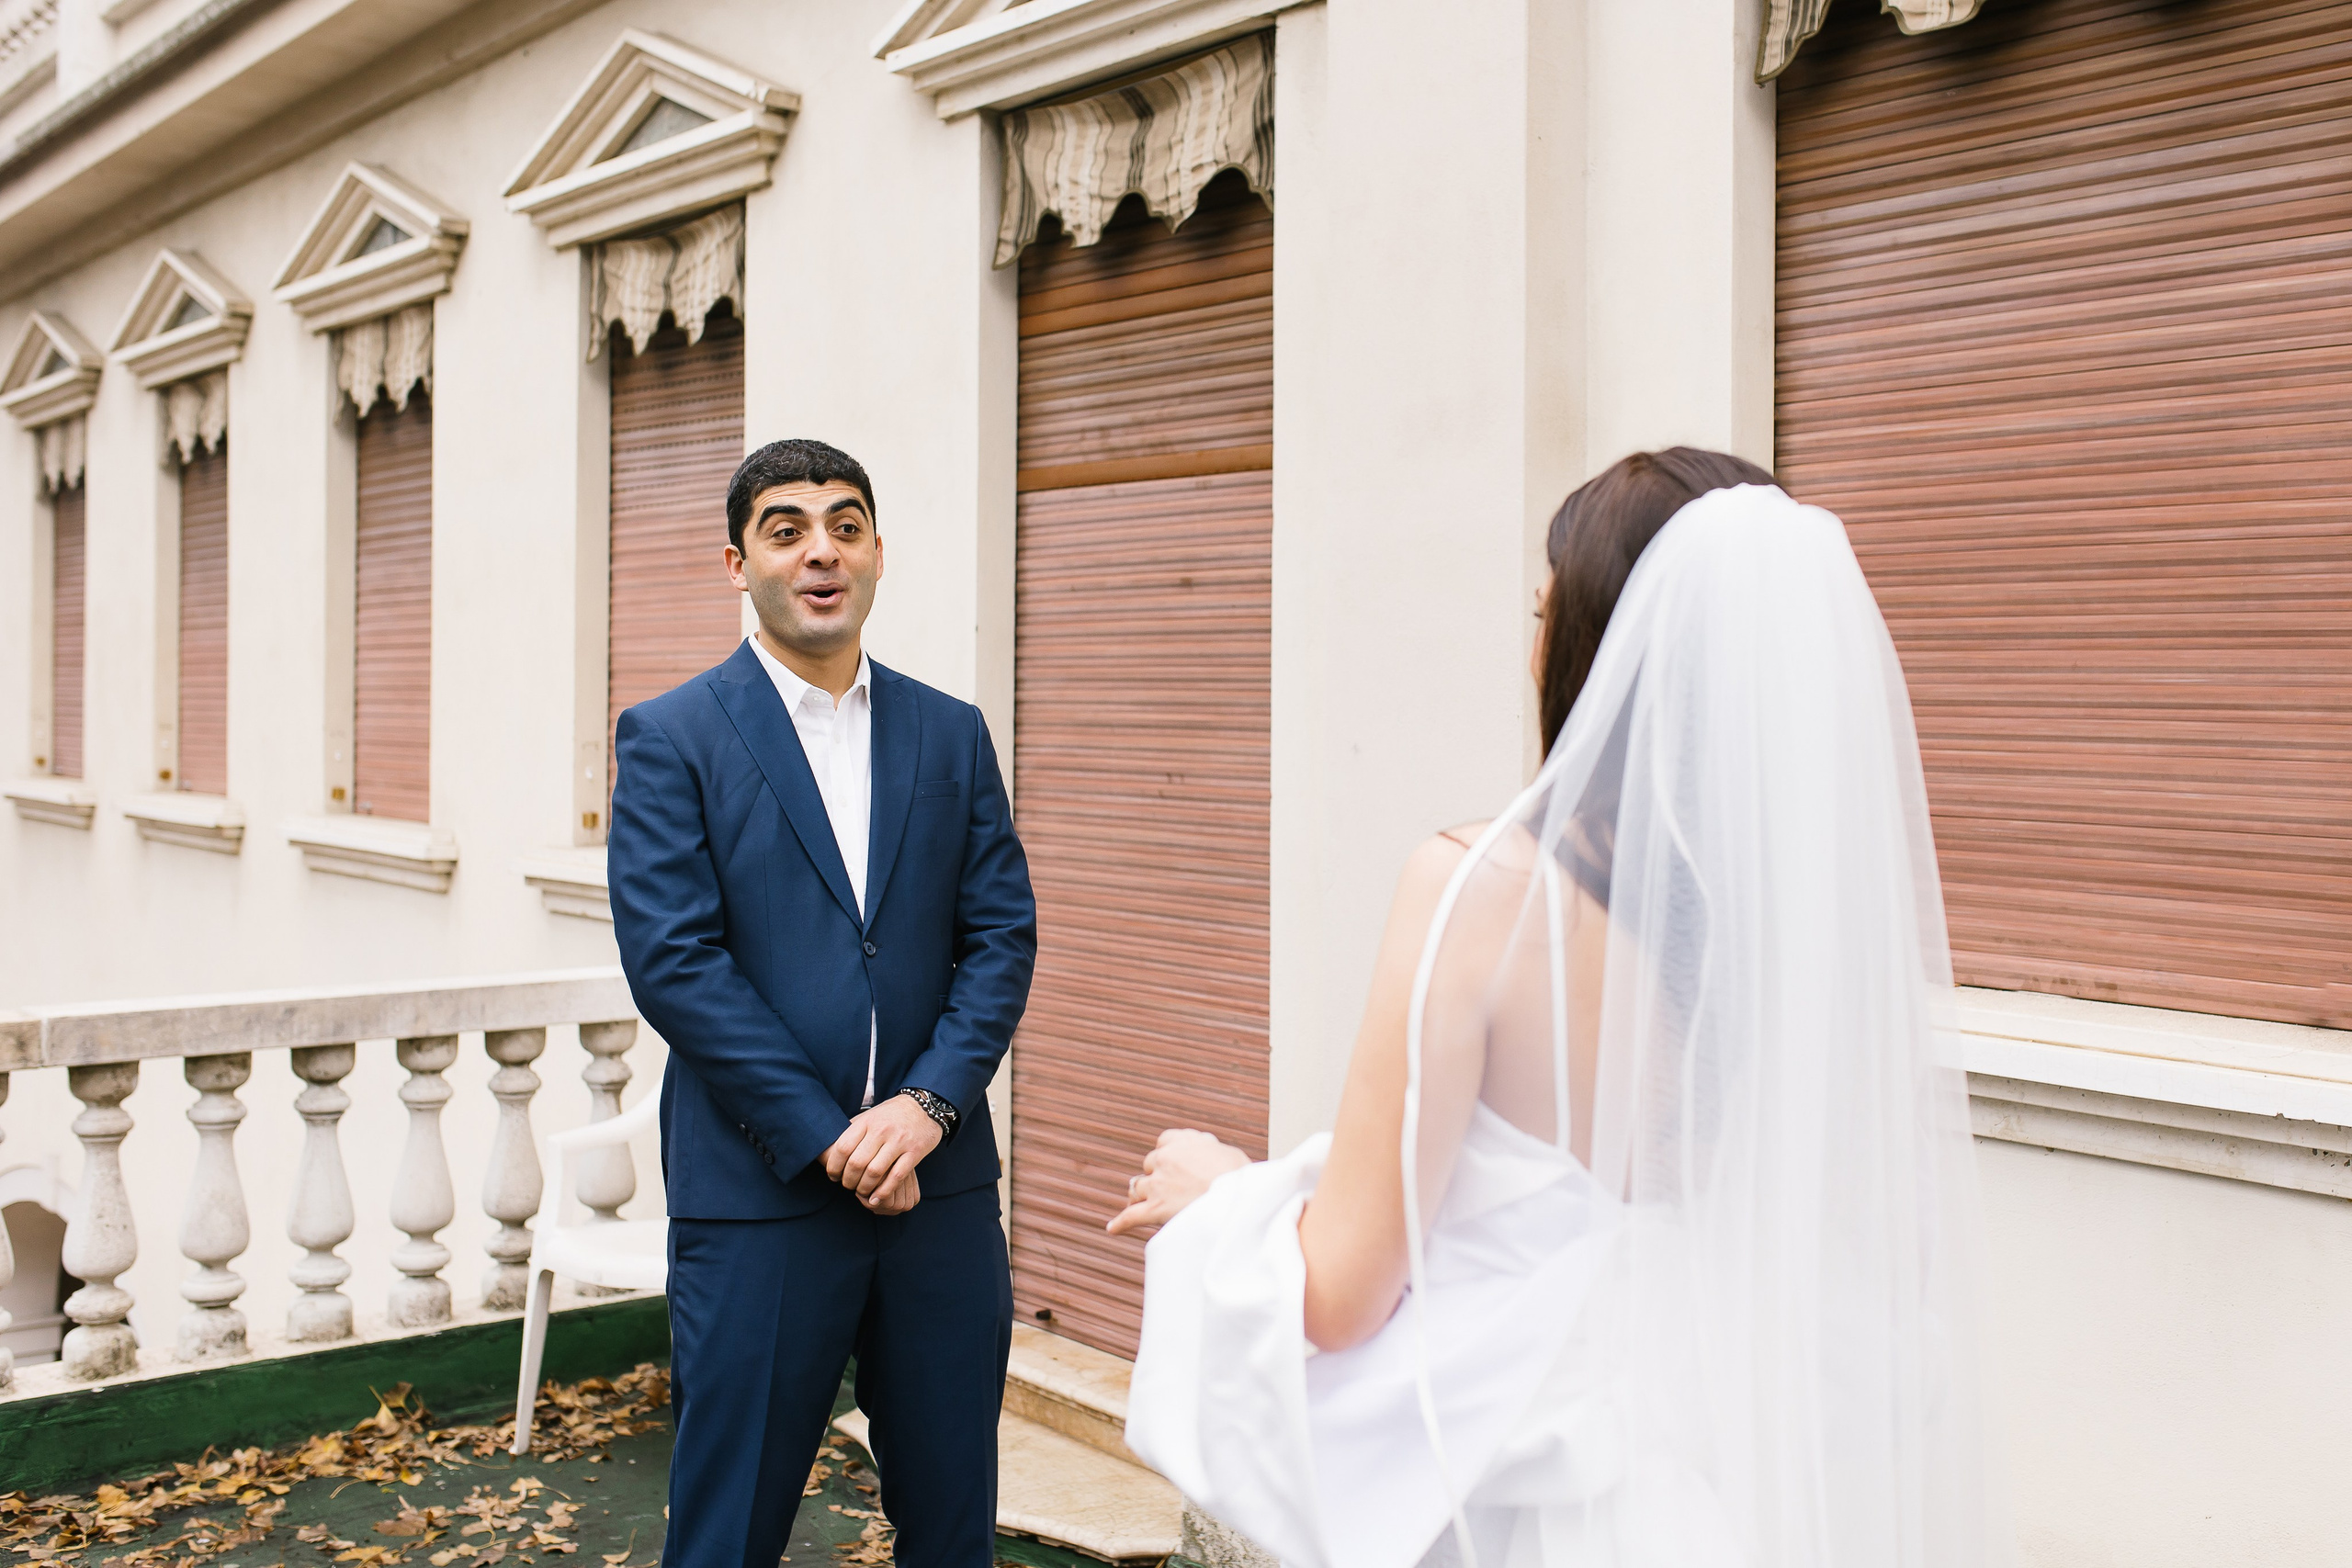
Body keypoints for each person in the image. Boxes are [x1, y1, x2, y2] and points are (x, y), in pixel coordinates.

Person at [1112, 450, 2005, 1568]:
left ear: (1601, 644)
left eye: (1545, 613)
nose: (1530, 648)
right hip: (1728, 1508)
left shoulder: (1476, 891)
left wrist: (1221, 1199)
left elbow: (1341, 1295)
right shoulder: (1808, 938)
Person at [607, 438, 1036, 1568]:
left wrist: (927, 1109)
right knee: (728, 1534)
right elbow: (675, 962)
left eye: (845, 527)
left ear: (877, 553)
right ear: (737, 563)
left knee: (953, 1528)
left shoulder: (950, 732)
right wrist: (831, 1137)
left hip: (939, 1197)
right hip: (762, 1200)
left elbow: (1000, 937)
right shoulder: (672, 737)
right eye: (786, 530)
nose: (820, 553)